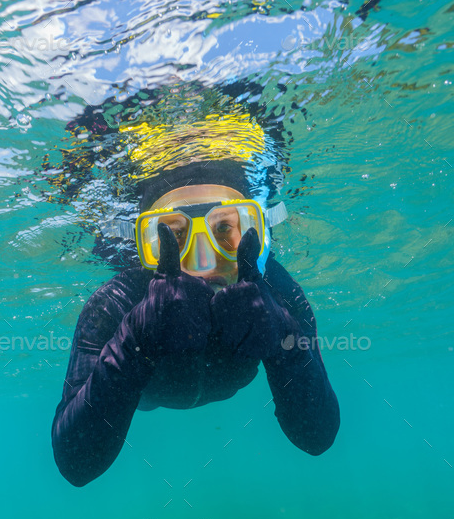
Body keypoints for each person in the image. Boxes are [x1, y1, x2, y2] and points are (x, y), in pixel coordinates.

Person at [51, 162, 340, 487]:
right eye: (175, 234)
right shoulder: (116, 304)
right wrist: (135, 340)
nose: (203, 263)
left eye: (223, 229)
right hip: (147, 399)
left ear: (253, 231)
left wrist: (283, 340)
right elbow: (76, 463)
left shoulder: (275, 295)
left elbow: (317, 436)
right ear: (148, 242)